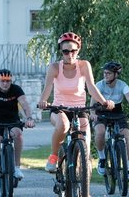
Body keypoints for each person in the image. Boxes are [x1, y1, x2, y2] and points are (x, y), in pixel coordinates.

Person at [38, 32, 115, 173]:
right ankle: (54, 156)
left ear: (78, 50)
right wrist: (43, 101)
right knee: (64, 125)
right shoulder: (54, 67)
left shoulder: (84, 65)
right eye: (65, 51)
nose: (70, 55)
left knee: (85, 149)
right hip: (59, 108)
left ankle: (83, 187)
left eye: (73, 51)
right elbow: (47, 87)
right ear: (61, 51)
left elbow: (91, 87)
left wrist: (104, 102)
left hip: (80, 109)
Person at [0, 69, 35, 186]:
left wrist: (29, 118)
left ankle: (17, 167)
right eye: (2, 81)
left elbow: (24, 104)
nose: (5, 84)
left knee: (18, 135)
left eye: (8, 81)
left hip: (12, 121)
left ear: (11, 81)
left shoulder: (16, 89)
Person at [90, 61, 129, 181]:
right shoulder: (100, 85)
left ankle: (128, 170)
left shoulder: (123, 85)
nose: (105, 75)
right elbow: (93, 101)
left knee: (126, 136)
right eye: (104, 73)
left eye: (108, 73)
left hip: (117, 111)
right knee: (100, 131)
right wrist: (92, 113)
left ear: (116, 75)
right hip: (101, 111)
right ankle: (102, 159)